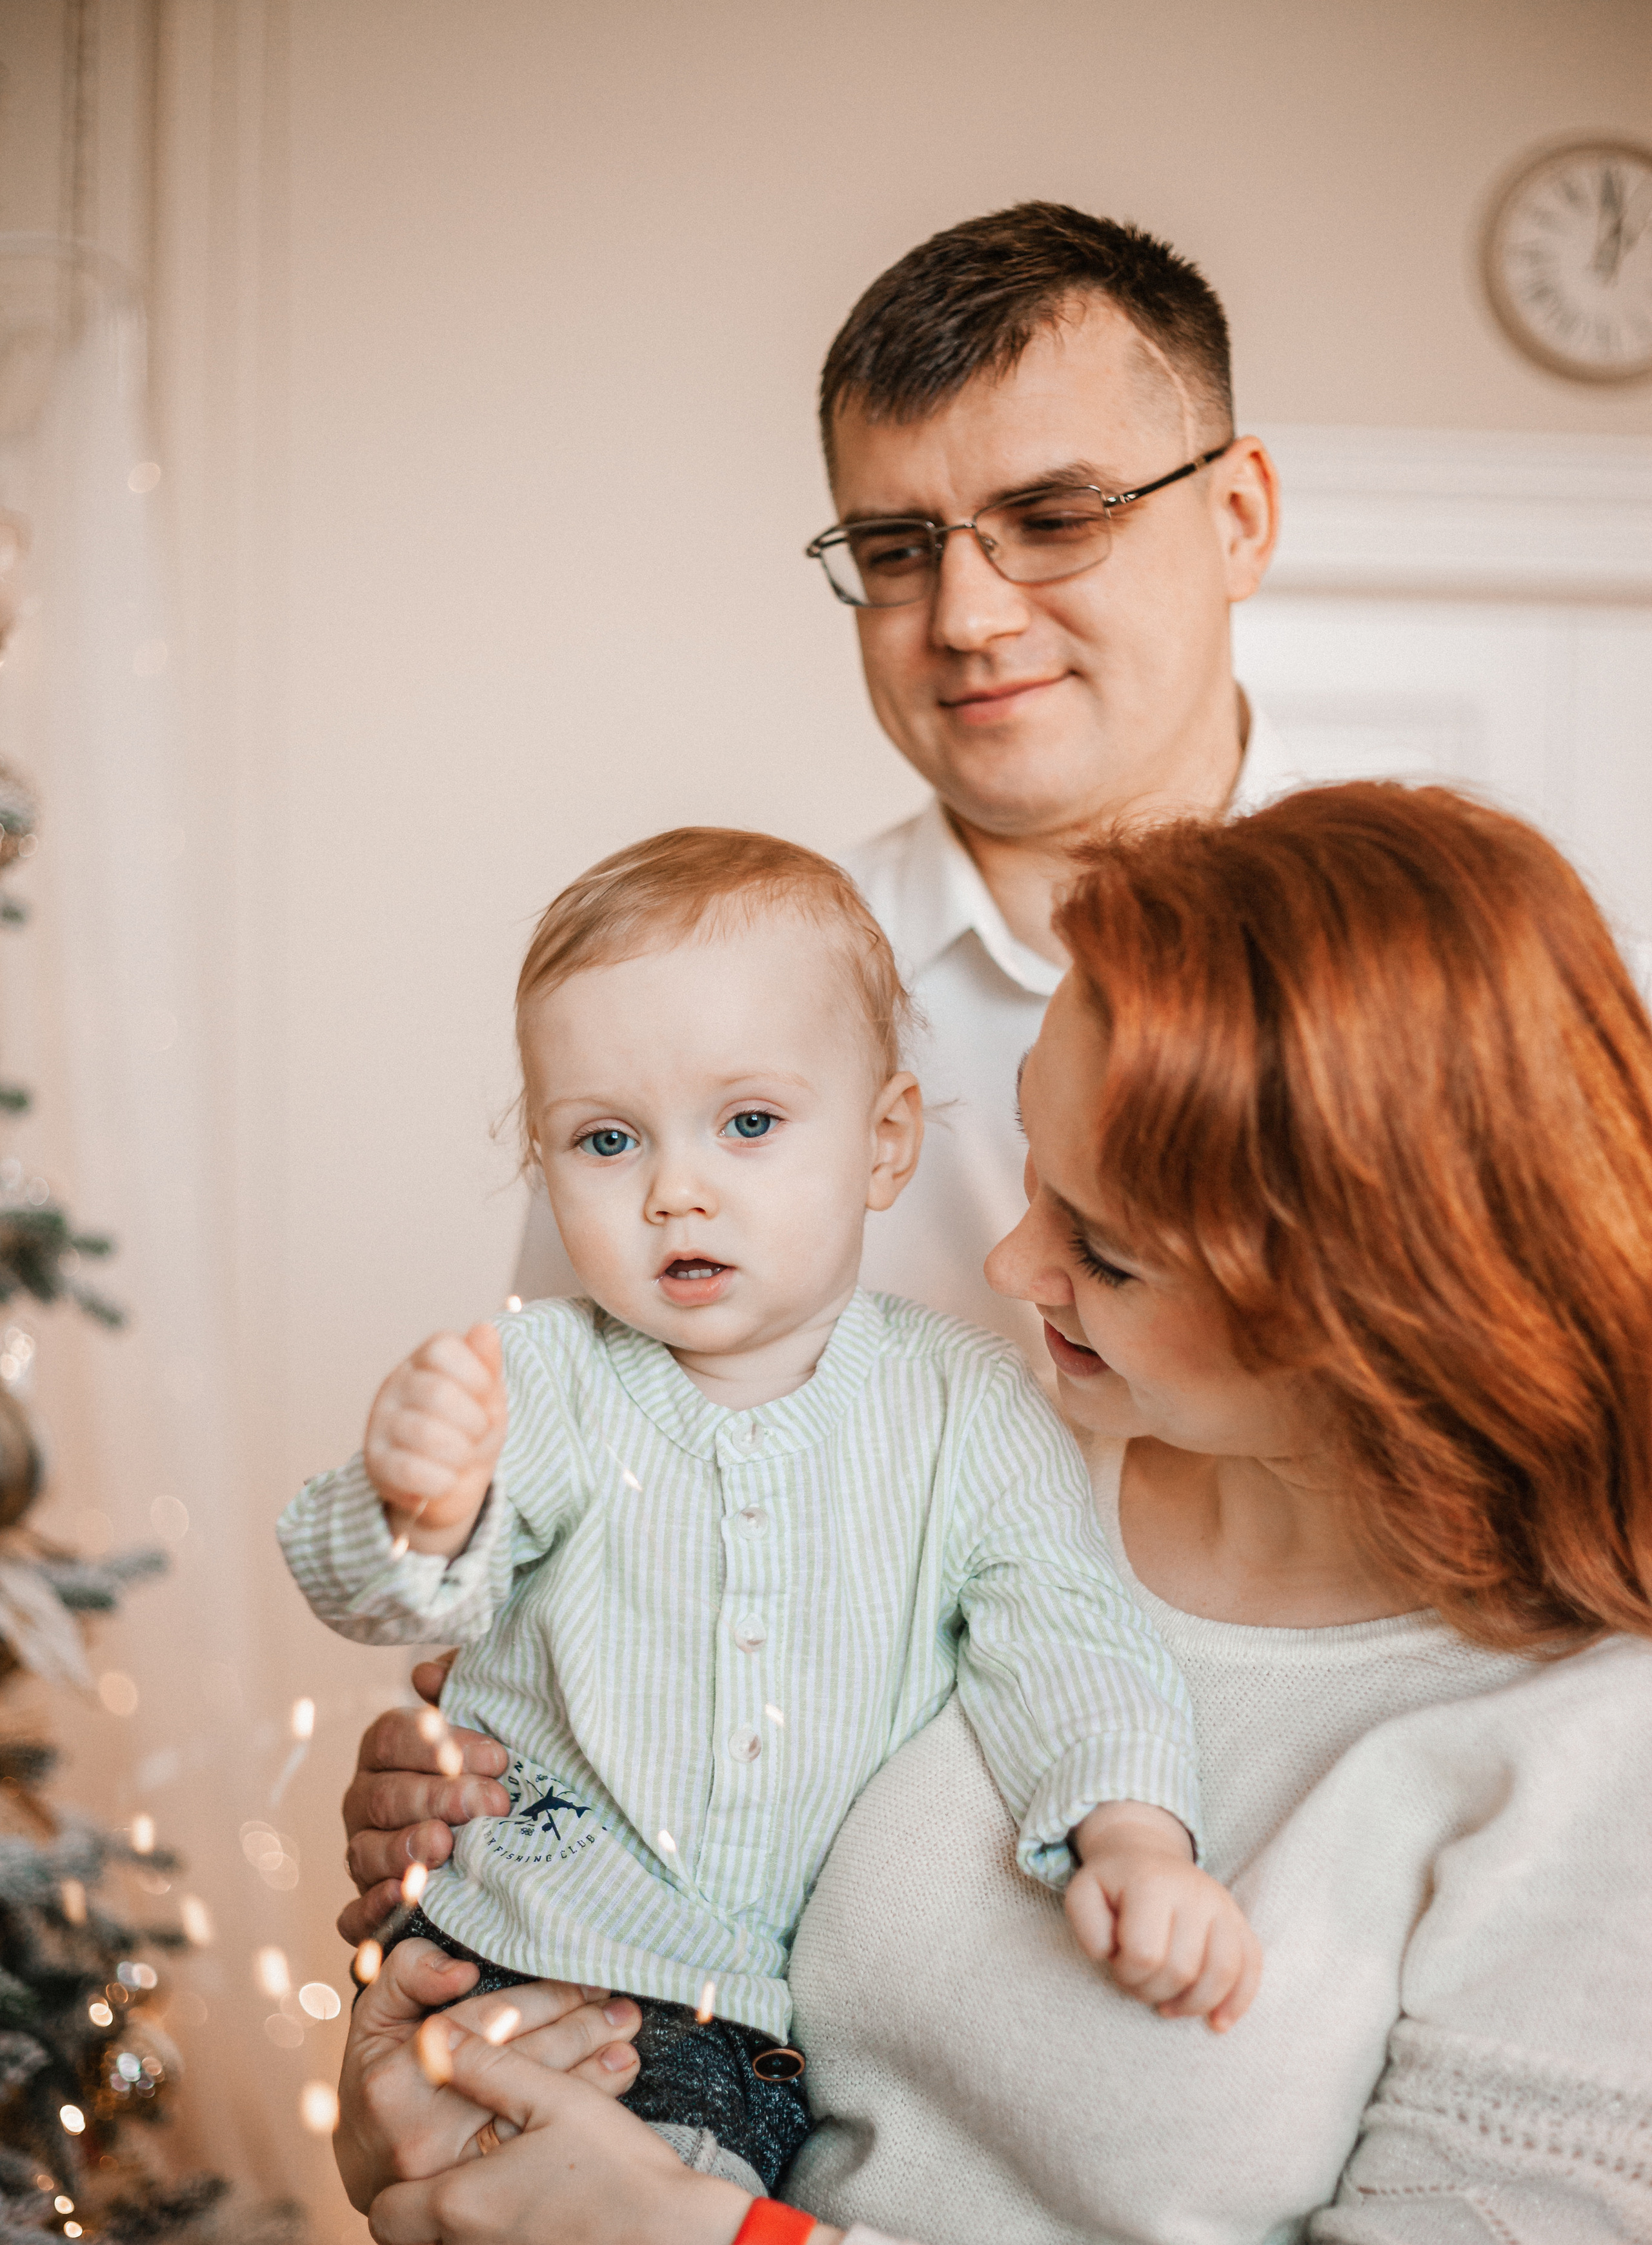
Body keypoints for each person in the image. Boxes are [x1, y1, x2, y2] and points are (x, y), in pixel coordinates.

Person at [337, 783, 1652, 2245]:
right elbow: (634, 1823)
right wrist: (432, 2048)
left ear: (1369, 1304)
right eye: (1034, 1172)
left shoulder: (1585, 1756)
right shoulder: (985, 1469)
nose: (1012, 1258)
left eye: (1099, 1247)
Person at [337, 200, 1295, 1951]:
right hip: (760, 1983)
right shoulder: (719, 1027)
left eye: (1053, 518)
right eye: (897, 543)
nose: (969, 612)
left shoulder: (1471, 991)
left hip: (1281, 1902)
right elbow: (555, 1548)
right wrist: (463, 1826)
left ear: (1238, 516)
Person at [287, 828, 1258, 2245]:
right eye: (606, 1140)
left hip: (747, 2048)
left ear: (885, 1145)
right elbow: (395, 1611)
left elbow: (1066, 1633)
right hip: (518, 1966)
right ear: (542, 1165)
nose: (678, 1187)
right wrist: (414, 1500)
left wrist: (1129, 1830)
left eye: (747, 1125)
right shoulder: (558, 1386)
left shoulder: (967, 1411)